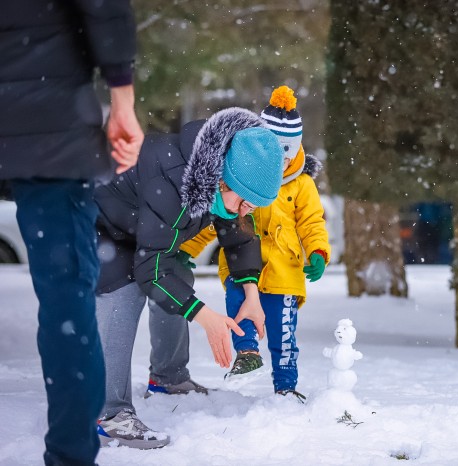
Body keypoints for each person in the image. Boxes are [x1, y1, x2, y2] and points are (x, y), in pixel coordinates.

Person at [0, 2, 143, 465]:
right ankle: (71, 456)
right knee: (67, 297)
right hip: (47, 119)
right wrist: (122, 97)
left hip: (41, 114)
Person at [93, 107, 284, 449]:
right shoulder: (174, 179)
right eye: (244, 202)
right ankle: (108, 413)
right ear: (223, 180)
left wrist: (252, 295)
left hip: (140, 229)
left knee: (177, 272)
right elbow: (150, 268)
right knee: (124, 288)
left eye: (253, 207)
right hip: (96, 223)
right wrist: (205, 316)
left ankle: (168, 378)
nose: (246, 212)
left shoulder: (220, 177)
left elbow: (238, 237)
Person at [220, 86, 331, 402]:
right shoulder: (241, 173)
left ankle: (286, 385)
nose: (277, 165)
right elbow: (219, 214)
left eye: (284, 158)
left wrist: (319, 252)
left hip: (285, 270)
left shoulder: (302, 184)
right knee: (238, 305)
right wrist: (186, 248)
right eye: (271, 156)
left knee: (284, 336)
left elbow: (312, 222)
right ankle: (247, 353)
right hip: (242, 265)